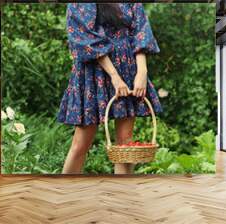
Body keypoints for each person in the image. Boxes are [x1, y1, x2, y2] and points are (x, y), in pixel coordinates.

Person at [57, 3, 162, 174]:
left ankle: (122, 197)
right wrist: (114, 76)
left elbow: (141, 31)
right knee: (80, 145)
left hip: (128, 67)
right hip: (93, 70)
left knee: (125, 144)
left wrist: (142, 72)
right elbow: (84, 37)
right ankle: (64, 194)